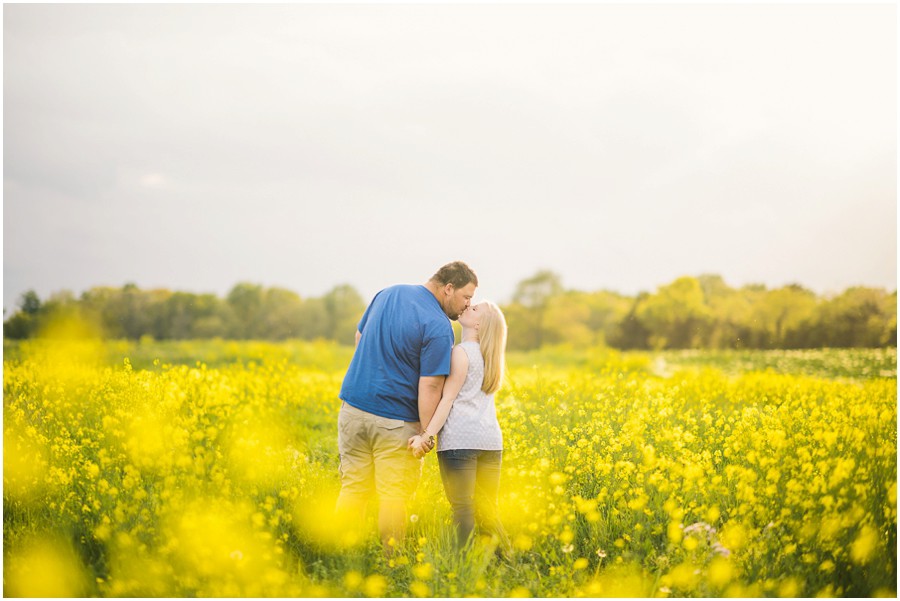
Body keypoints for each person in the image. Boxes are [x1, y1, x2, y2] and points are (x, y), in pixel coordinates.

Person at [335, 261, 478, 552]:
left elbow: (359, 337)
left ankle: (338, 554)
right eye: (466, 296)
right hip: (394, 420)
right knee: (393, 496)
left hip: (351, 409)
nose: (467, 305)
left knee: (352, 488)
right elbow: (430, 386)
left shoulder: (387, 293)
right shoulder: (439, 326)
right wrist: (427, 433)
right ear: (448, 288)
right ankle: (392, 564)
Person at [408, 300, 511, 554]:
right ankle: (503, 562)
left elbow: (448, 398)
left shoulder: (461, 352)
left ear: (479, 324)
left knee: (463, 508)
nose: (468, 307)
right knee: (488, 507)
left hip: (460, 441)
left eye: (475, 309)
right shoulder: (491, 356)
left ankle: (459, 565)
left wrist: (426, 435)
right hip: (490, 441)